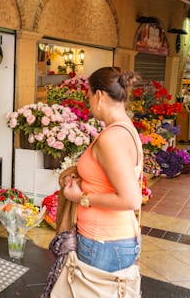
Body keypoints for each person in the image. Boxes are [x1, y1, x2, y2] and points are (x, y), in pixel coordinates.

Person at [41, 67, 144, 297]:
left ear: (98, 95)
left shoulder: (112, 138)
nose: (88, 102)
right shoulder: (124, 129)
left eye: (88, 96)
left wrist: (81, 198)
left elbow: (131, 198)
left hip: (104, 243)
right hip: (111, 240)